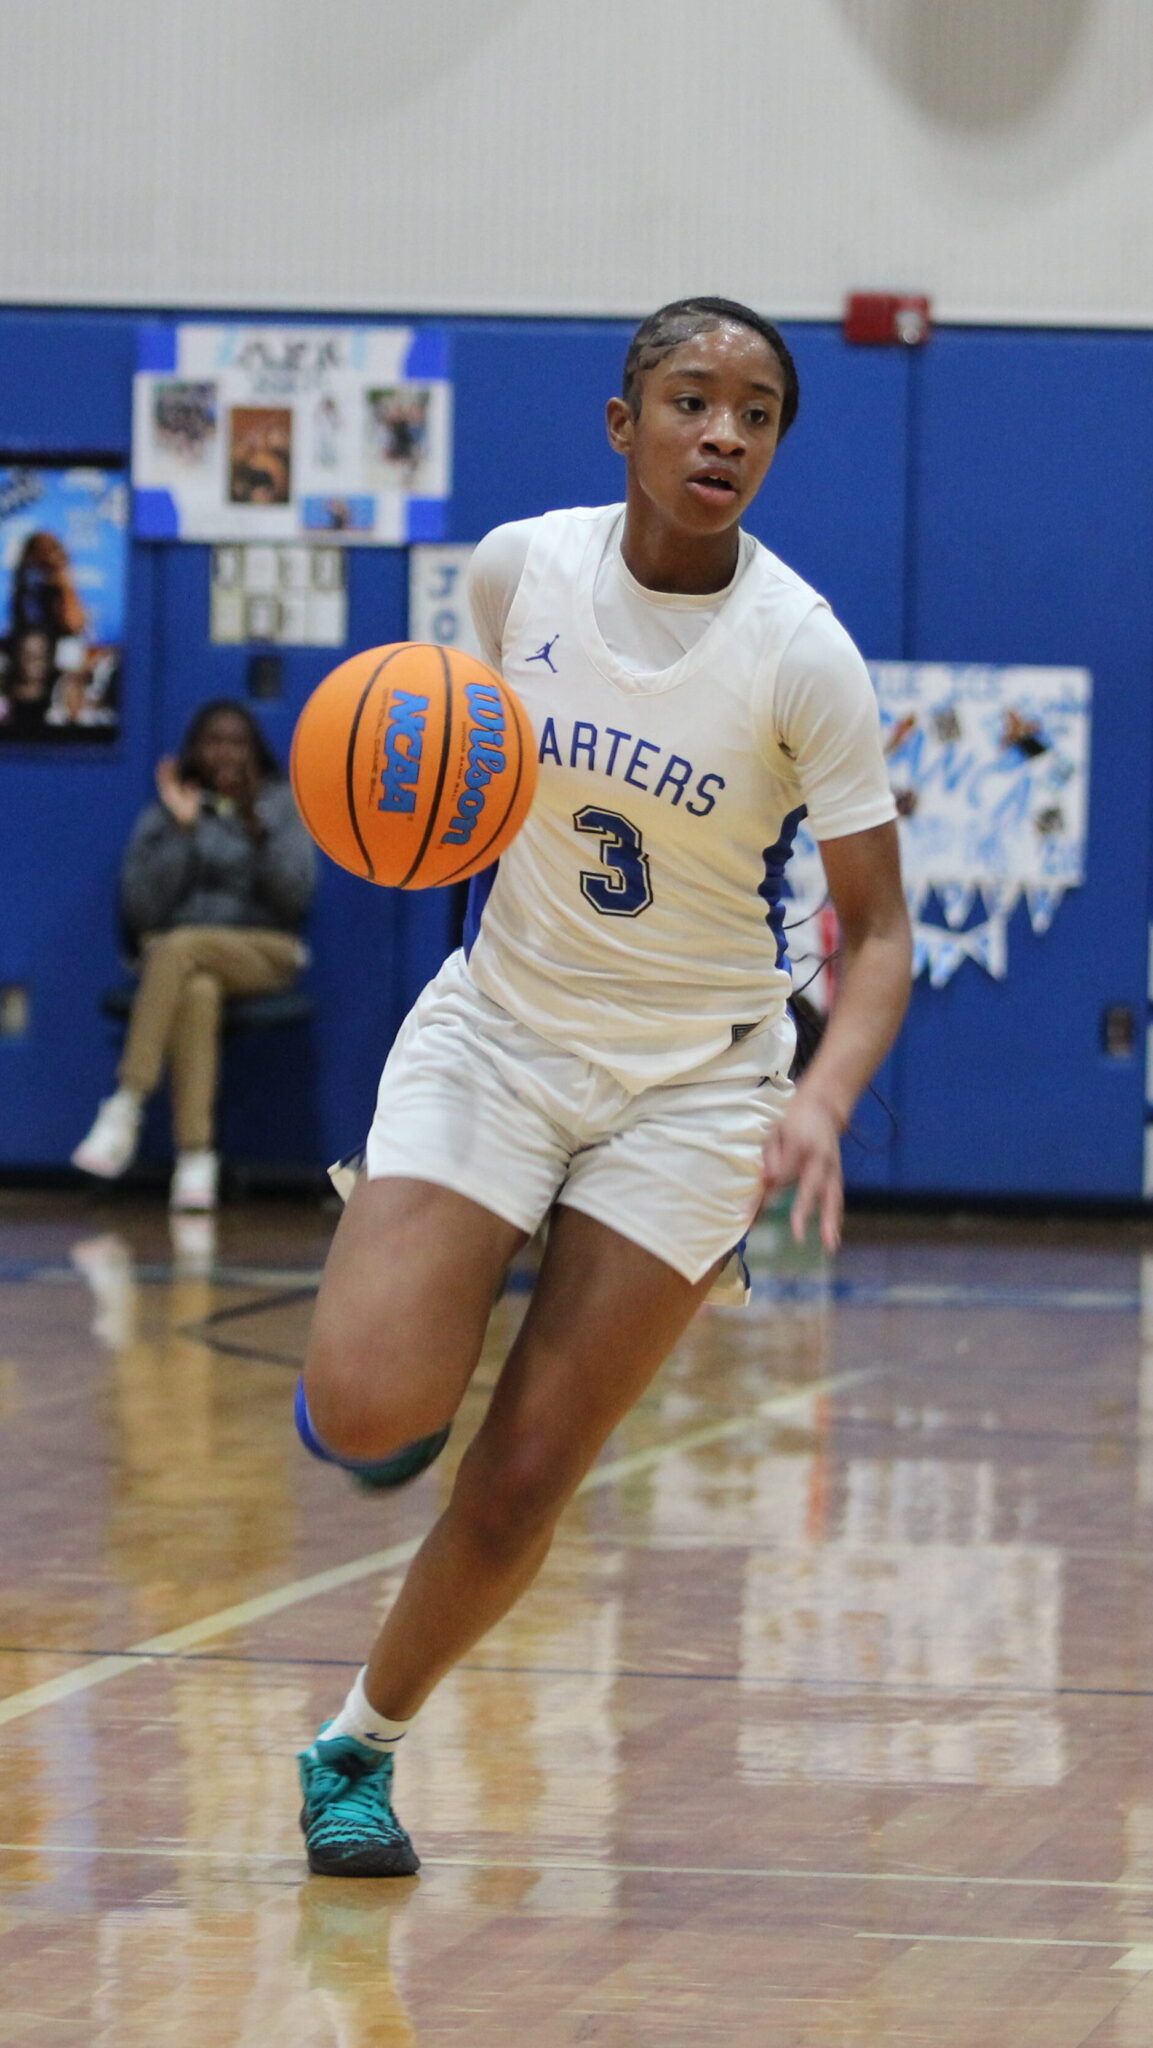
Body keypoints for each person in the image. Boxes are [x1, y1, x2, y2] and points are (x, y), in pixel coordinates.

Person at [294, 297, 912, 1877]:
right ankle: (414, 1333)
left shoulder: (803, 654)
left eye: (756, 414)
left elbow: (882, 931)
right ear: (621, 420)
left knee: (520, 1483)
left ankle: (357, 1746)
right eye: (691, 401)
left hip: (698, 1087)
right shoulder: (517, 572)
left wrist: (822, 1100)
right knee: (371, 1409)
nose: (723, 434)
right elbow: (457, 765)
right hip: (503, 1026)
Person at [71, 699, 316, 1211]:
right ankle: (197, 1157)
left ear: (255, 750)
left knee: (176, 948)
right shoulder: (169, 807)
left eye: (236, 741)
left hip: (266, 953)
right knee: (197, 988)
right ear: (195, 749)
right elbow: (141, 908)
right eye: (213, 740)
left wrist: (255, 826)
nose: (224, 752)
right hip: (183, 962)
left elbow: (296, 897)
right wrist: (180, 832)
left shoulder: (279, 805)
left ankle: (128, 1102)